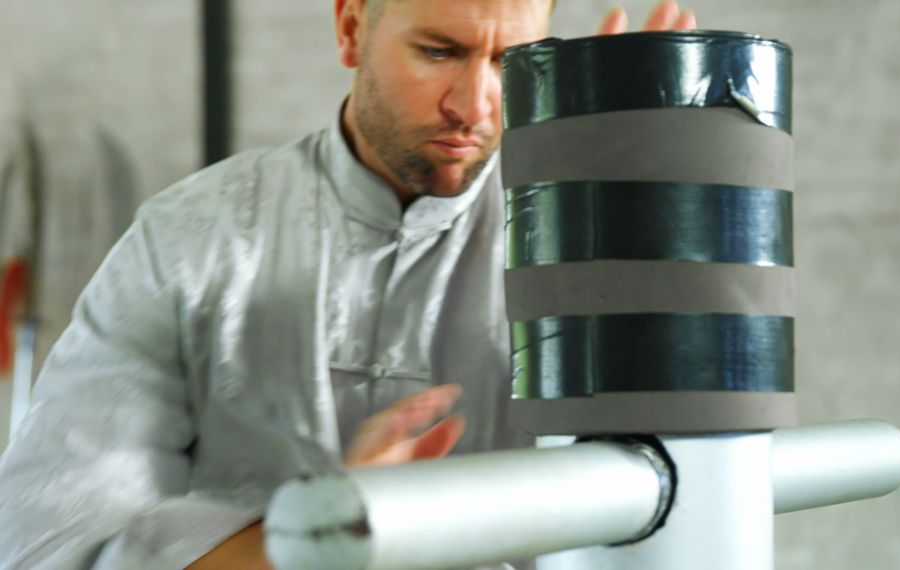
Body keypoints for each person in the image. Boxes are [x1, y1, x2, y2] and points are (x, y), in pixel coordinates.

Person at [0, 0, 696, 567]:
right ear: (351, 26)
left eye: (510, 62)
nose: (474, 106)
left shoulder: (584, 235)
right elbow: (52, 544)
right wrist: (311, 544)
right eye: (439, 52)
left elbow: (682, 511)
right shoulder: (186, 240)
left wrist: (653, 239)